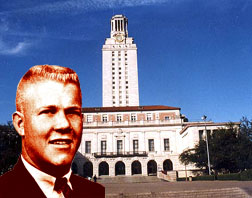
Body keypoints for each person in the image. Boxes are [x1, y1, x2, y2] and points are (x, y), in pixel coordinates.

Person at [0, 65, 105, 198]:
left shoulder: (95, 192)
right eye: (48, 112)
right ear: (21, 124)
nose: (64, 124)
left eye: (72, 112)